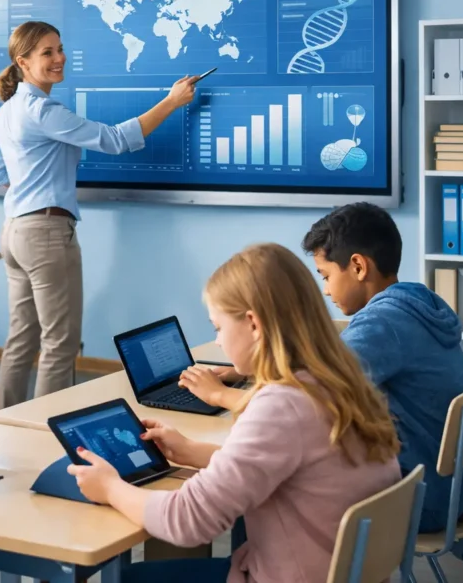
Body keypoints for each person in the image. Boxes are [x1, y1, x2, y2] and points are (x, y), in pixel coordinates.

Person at [68, 243, 401, 582]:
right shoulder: (339, 383)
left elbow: (186, 521)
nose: (218, 342)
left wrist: (109, 487)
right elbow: (287, 463)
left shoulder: (282, 406)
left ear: (253, 324)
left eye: (218, 327)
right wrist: (192, 451)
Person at [0, 20, 195, 409]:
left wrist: (33, 176)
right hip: (45, 233)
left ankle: (3, 422)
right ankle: (45, 431)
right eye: (47, 52)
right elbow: (114, 140)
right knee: (59, 342)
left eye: (60, 48)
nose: (59, 58)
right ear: (23, 62)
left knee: (21, 339)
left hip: (14, 231)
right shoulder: (43, 110)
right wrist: (171, 101)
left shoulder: (8, 110)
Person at [302, 202, 463, 533]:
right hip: (453, 490)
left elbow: (312, 391)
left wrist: (224, 396)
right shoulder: (419, 303)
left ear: (358, 266)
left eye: (326, 276)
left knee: (277, 478)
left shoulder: (382, 322)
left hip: (420, 497)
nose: (326, 289)